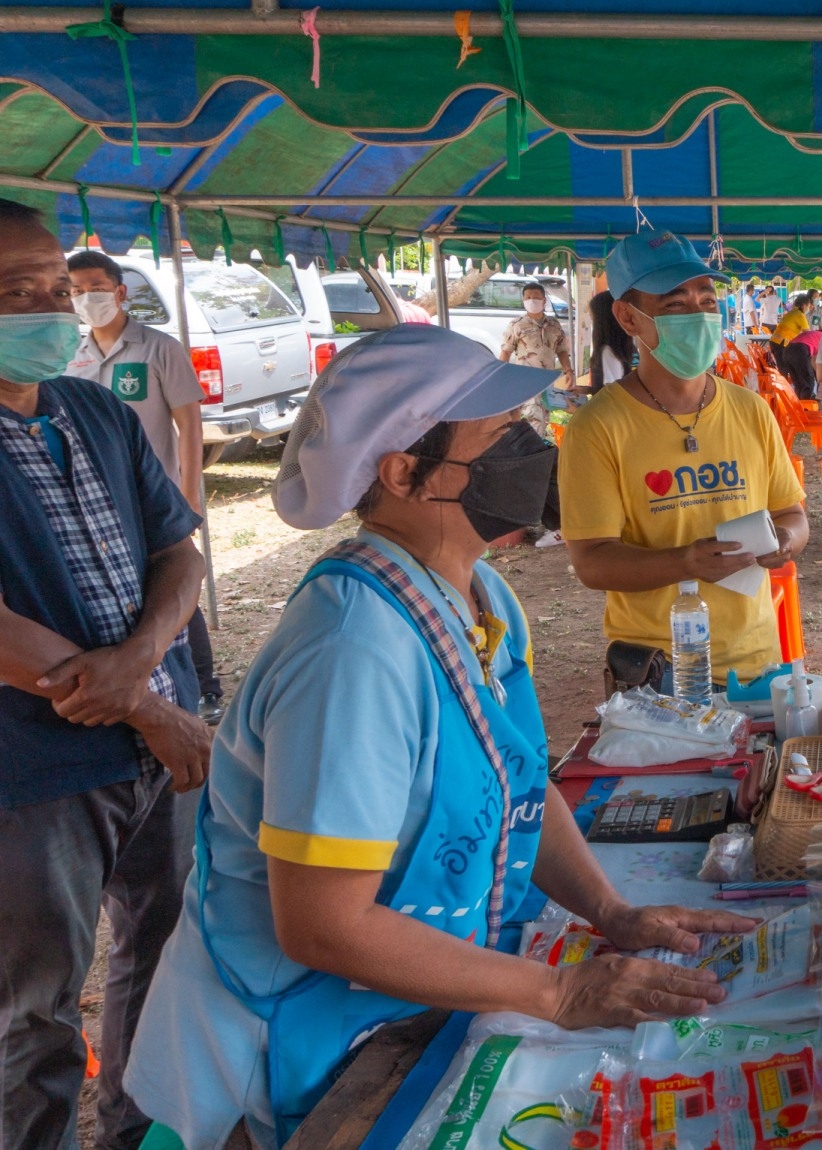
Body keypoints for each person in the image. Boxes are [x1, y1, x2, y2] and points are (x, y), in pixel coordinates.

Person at [125, 324, 753, 1150]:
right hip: (288, 1040)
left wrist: (613, 911)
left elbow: (522, 779)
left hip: (405, 998)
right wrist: (558, 993)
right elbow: (323, 926)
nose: (534, 452)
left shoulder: (480, 594)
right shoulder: (352, 649)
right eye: (503, 438)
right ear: (403, 472)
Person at [0, 199, 211, 1150]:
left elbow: (182, 554)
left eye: (56, 286)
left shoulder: (91, 408)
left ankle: (134, 1131)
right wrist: (152, 713)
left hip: (145, 751)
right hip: (29, 776)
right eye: (17, 291)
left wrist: (140, 669)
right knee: (31, 1014)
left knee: (163, 963)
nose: (51, 306)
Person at [560, 231, 809, 689]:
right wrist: (686, 562)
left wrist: (788, 541)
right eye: (675, 305)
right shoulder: (597, 427)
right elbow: (592, 563)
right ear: (627, 317)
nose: (697, 315)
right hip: (657, 672)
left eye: (707, 300)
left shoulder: (750, 410)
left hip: (757, 662)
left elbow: (791, 512)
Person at [64, 251, 224, 726]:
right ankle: (137, 684)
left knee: (174, 582)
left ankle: (204, 686)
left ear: (119, 292)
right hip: (95, 503)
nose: (85, 299)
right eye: (74, 291)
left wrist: (188, 495)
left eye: (94, 288)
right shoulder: (72, 355)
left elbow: (189, 426)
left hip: (156, 499)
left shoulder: (157, 348)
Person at [587, 289, 634, 388]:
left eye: (592, 317)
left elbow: (612, 393)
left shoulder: (607, 352)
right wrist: (586, 390)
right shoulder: (626, 348)